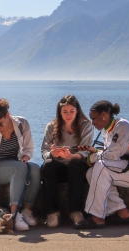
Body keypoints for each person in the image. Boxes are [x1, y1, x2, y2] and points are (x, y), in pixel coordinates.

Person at [74, 100, 129, 229]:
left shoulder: (122, 126)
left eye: (94, 119)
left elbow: (112, 155)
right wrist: (94, 152)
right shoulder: (107, 131)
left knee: (100, 166)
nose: (92, 123)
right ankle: (123, 213)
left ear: (104, 115)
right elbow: (110, 154)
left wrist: (91, 158)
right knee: (91, 173)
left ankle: (97, 217)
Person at [0, 96, 41, 232]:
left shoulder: (22, 124)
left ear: (7, 115)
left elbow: (29, 148)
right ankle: (14, 215)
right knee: (19, 167)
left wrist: (25, 157)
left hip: (17, 164)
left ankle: (26, 211)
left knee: (35, 169)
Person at [38, 94, 94, 227]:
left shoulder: (86, 126)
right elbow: (44, 152)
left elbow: (86, 153)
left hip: (77, 168)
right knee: (48, 165)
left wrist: (69, 156)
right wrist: (52, 153)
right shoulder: (51, 126)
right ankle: (52, 213)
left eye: (72, 111)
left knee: (76, 164)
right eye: (65, 112)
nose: (68, 115)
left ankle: (76, 212)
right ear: (60, 112)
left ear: (77, 111)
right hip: (59, 167)